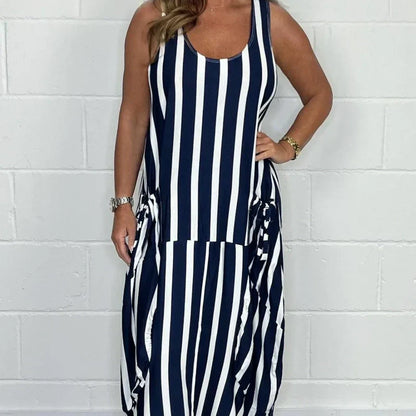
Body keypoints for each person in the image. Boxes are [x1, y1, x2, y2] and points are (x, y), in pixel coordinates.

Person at [111, 0, 332, 414]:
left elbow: (319, 94)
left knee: (234, 347)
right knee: (162, 349)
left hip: (242, 220)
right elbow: (135, 114)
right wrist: (123, 203)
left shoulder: (269, 21)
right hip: (171, 222)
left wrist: (288, 147)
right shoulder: (155, 17)